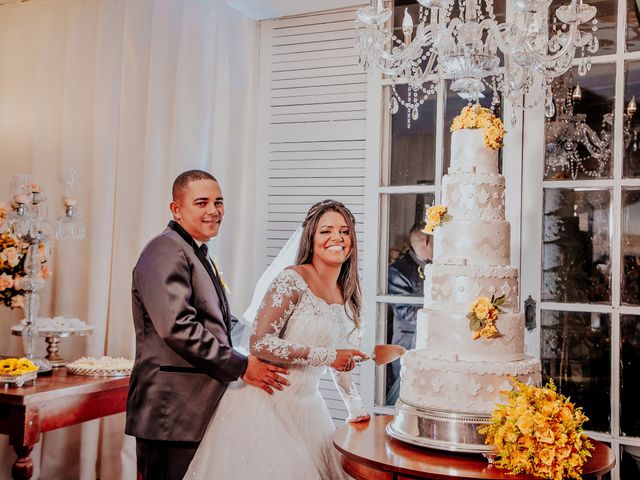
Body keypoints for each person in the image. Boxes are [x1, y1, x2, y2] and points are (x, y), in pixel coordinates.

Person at [184, 199, 370, 479]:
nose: (337, 238)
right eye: (326, 231)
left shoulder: (348, 294)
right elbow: (261, 342)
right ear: (311, 238)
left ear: (352, 242)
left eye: (344, 232)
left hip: (309, 408)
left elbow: (342, 361)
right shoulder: (292, 280)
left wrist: (355, 407)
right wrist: (331, 356)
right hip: (266, 404)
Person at [125, 170, 289, 480]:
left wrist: (270, 342)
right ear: (176, 209)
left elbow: (225, 323)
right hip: (171, 411)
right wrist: (242, 366)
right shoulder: (164, 249)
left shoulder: (196, 251)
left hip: (196, 408)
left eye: (218, 202)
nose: (213, 211)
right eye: (201, 202)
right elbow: (178, 328)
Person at [386, 222, 433, 405]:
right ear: (427, 240)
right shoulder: (399, 270)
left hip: (431, 345)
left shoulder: (438, 267)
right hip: (406, 345)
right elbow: (407, 312)